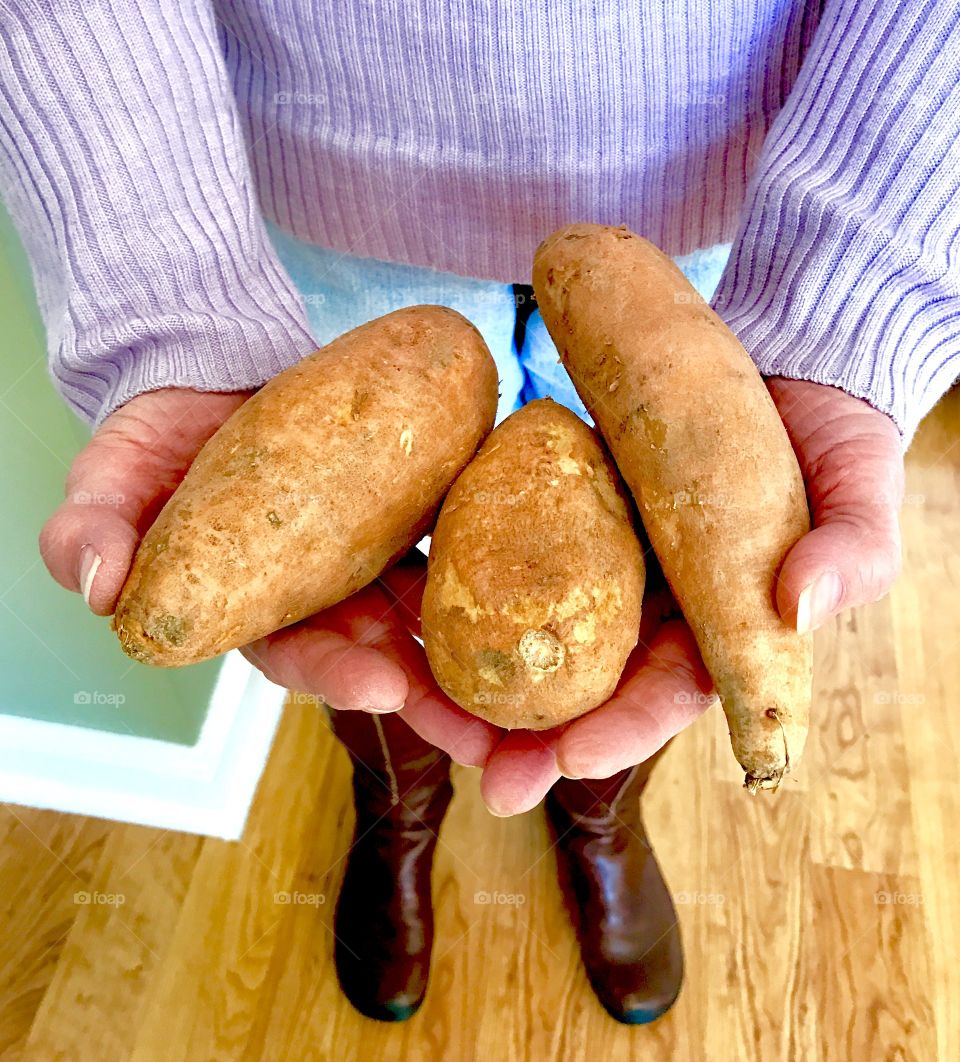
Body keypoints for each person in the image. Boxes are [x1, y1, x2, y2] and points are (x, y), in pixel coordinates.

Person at [3, 0, 957, 1026]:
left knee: (689, 581)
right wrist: (160, 279)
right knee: (348, 586)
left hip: (704, 202)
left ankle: (599, 814)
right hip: (337, 194)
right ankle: (398, 810)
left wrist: (863, 267)